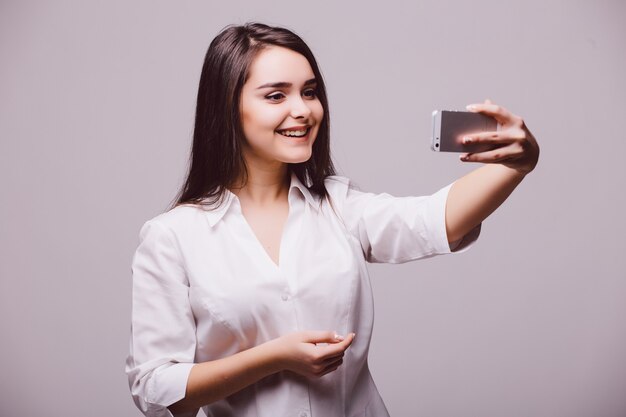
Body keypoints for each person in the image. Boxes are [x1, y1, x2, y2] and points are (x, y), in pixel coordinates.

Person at [125, 22, 539, 417]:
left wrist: (518, 165)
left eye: (309, 92)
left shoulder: (338, 205)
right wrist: (274, 357)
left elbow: (434, 221)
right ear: (227, 109)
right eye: (276, 96)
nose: (302, 110)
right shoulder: (173, 237)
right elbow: (157, 388)